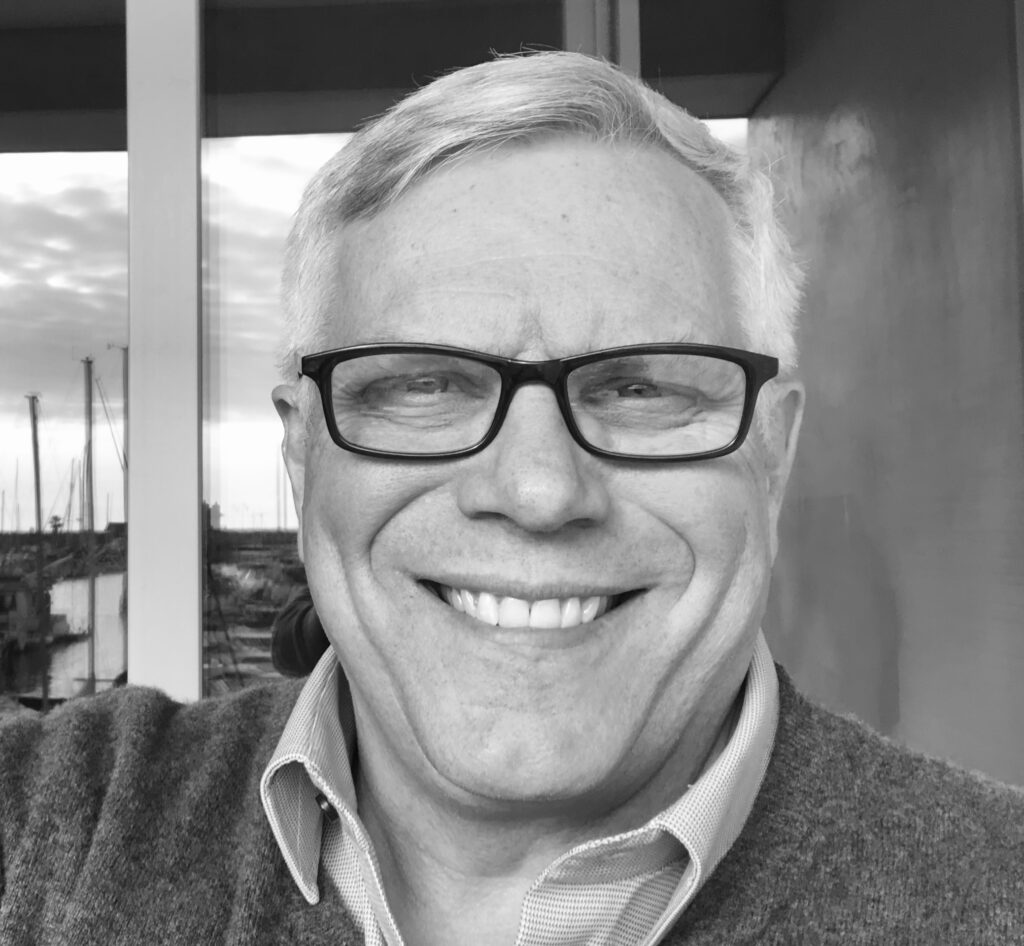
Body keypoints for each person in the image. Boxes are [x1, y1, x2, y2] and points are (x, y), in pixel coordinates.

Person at [1, 51, 1022, 946]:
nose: (538, 490)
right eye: (423, 383)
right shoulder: (50, 830)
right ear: (304, 455)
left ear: (772, 451)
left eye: (641, 385)